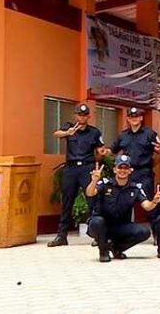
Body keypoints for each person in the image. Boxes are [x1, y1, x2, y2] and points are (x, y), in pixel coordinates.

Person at [48, 103, 106, 247]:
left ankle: (97, 235)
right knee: (67, 202)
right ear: (75, 115)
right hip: (71, 168)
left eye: (85, 115)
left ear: (89, 117)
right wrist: (68, 133)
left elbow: (100, 151)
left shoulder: (95, 132)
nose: (82, 117)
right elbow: (56, 134)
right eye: (79, 114)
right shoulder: (69, 127)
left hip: (87, 167)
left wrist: (101, 155)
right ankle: (62, 236)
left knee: (92, 201)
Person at [85, 155, 160, 262]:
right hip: (100, 225)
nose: (122, 171)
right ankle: (103, 251)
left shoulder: (135, 188)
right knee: (98, 221)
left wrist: (155, 201)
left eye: (125, 168)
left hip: (120, 226)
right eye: (120, 167)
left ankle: (116, 248)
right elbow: (90, 193)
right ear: (114, 169)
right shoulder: (105, 183)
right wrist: (94, 181)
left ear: (130, 170)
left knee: (144, 232)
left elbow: (147, 206)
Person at [108, 107, 160, 199]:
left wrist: (152, 164)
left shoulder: (150, 134)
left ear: (141, 118)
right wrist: (102, 152)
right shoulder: (123, 135)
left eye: (136, 116)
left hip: (144, 174)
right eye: (131, 117)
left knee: (145, 201)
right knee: (125, 200)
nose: (134, 119)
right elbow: (112, 150)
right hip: (127, 173)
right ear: (128, 119)